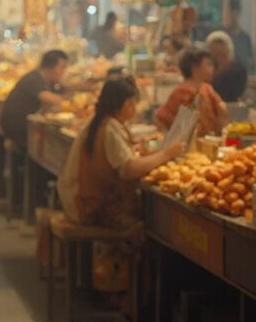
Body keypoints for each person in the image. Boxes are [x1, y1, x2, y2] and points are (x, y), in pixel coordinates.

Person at [58, 76, 185, 229]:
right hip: (92, 208)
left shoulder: (101, 121)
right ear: (127, 104)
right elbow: (128, 170)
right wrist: (167, 154)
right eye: (134, 103)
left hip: (79, 201)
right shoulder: (109, 127)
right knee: (149, 224)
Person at [0, 50, 68, 151]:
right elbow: (52, 100)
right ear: (50, 67)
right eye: (62, 67)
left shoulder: (39, 77)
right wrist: (73, 100)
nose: (64, 72)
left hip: (18, 127)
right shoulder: (35, 79)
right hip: (18, 130)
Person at [155, 49, 229, 138]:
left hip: (208, 142)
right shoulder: (181, 92)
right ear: (195, 68)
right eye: (208, 64)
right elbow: (161, 119)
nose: (212, 69)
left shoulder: (207, 88)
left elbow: (222, 111)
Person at [206, 30, 247, 103]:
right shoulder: (201, 74)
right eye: (215, 56)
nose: (218, 60)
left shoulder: (238, 72)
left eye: (222, 55)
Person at [223, 0, 254, 72]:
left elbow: (249, 61)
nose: (226, 16)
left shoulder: (245, 38)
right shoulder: (222, 37)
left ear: (237, 13)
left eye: (228, 12)